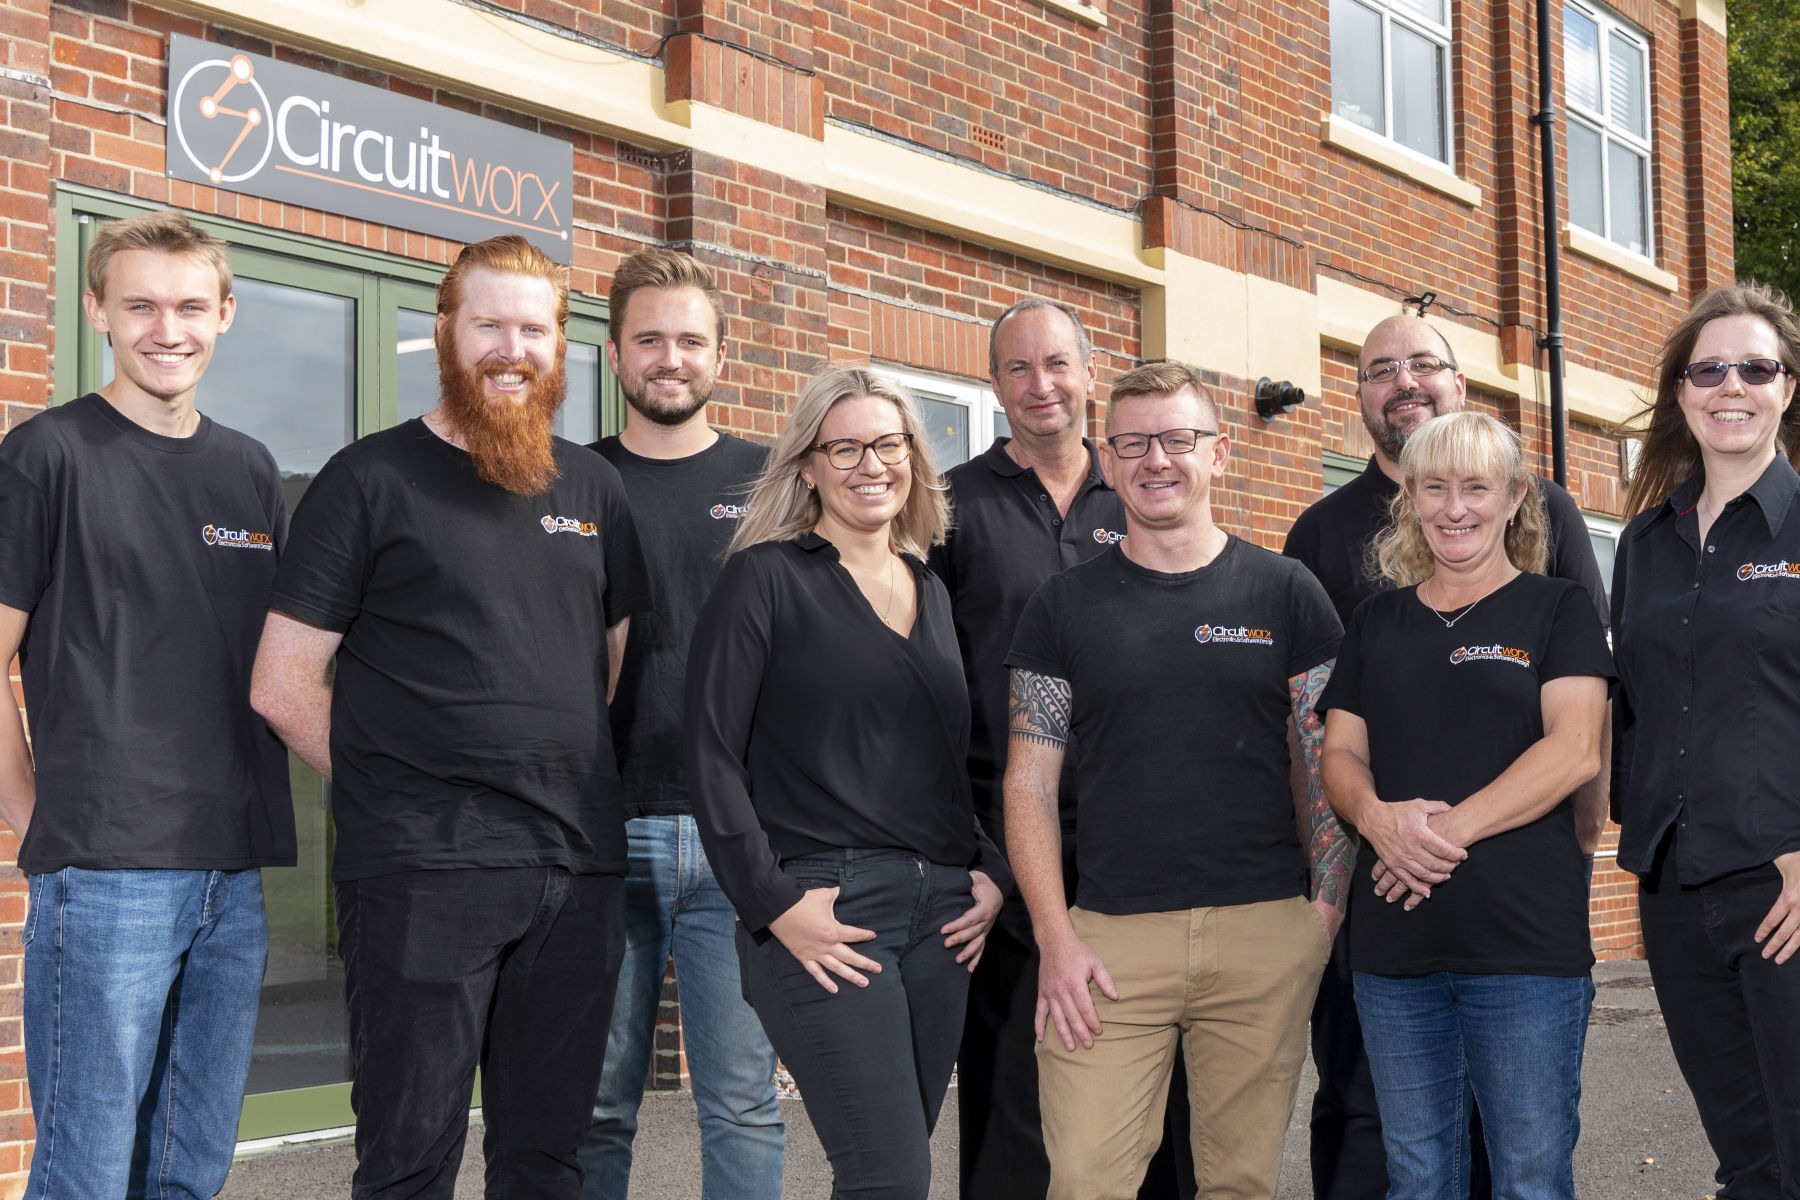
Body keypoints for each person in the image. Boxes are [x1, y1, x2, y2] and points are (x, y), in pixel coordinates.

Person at [250, 234, 648, 1199]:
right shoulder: (367, 478)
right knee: (408, 1159)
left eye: (534, 329)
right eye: (489, 325)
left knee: (548, 1158)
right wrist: (402, 790)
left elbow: (611, 662)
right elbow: (282, 682)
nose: (512, 350)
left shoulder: (595, 489)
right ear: (444, 333)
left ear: (562, 345)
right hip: (425, 873)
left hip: (576, 872)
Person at [0, 209, 295, 1198]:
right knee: (85, 1175)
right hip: (109, 869)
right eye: (140, 306)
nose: (166, 329)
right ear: (98, 313)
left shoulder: (250, 468)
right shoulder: (47, 456)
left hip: (234, 872)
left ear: (225, 315)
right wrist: (35, 819)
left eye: (189, 306)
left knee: (186, 1169)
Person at [1282, 312, 1609, 1200]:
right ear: (1410, 502)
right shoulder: (1378, 620)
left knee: (1530, 1177)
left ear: (1512, 499)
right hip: (1396, 945)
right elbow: (1338, 750)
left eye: (1475, 487)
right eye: (1433, 489)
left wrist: (1437, 836)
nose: (1453, 507)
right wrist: (1380, 820)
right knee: (1418, 1174)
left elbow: (1576, 748)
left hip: (1524, 943)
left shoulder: (1555, 611)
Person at [1004, 360, 1348, 1200]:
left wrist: (1322, 917)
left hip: (1265, 926)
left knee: (1239, 1183)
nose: (1157, 459)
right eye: (1134, 442)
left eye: (1179, 439)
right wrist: (1055, 936)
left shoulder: (1287, 592)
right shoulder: (1063, 606)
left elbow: (1327, 762)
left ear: (1219, 454)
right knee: (1086, 1178)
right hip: (1110, 941)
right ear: (1109, 460)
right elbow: (1028, 783)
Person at [684, 364, 1008, 1200]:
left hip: (941, 915)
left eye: (889, 443)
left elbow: (948, 762)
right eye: (846, 448)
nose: (872, 464)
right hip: (828, 908)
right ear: (808, 467)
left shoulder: (931, 590)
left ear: (914, 458)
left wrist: (990, 874)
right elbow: (711, 754)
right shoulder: (765, 579)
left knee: (891, 1168)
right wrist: (772, 904)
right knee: (888, 1173)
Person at [933, 297, 1195, 1200]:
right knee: (1013, 1102)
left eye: (1056, 365)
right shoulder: (950, 508)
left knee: (1154, 1099)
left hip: (1137, 845)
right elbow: (928, 688)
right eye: (1016, 368)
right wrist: (973, 853)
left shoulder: (1142, 491)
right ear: (994, 384)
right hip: (1005, 846)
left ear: (1091, 372)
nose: (1039, 385)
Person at [578, 247, 782, 1199]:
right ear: (613, 354)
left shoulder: (776, 485)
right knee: (597, 1102)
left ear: (721, 355)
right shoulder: (569, 483)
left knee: (740, 1101)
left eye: (690, 340)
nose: (671, 357)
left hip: (737, 834)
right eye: (649, 339)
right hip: (598, 831)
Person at [1611, 281, 1800, 1200]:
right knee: (1746, 1159)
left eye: (1756, 368)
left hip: (1785, 886)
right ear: (1683, 393)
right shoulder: (1644, 543)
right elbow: (1637, 707)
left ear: (1787, 388)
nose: (1733, 385)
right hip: (1676, 887)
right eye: (1710, 368)